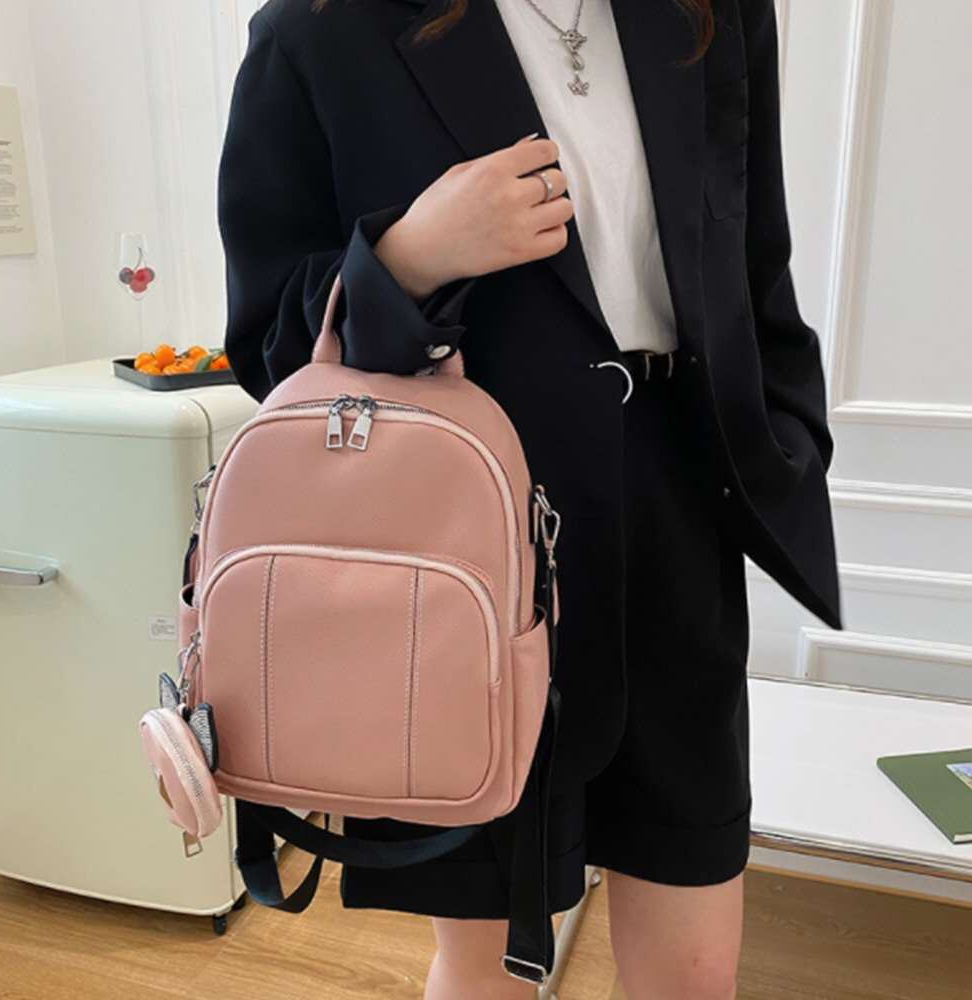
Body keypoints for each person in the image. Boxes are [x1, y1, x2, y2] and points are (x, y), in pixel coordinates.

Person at [217, 0, 842, 995]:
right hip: (466, 537)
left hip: (677, 518)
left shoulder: (711, 11)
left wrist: (791, 433)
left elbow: (754, 255)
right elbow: (270, 341)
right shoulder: (321, 27)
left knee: (694, 964)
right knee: (488, 967)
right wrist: (408, 256)